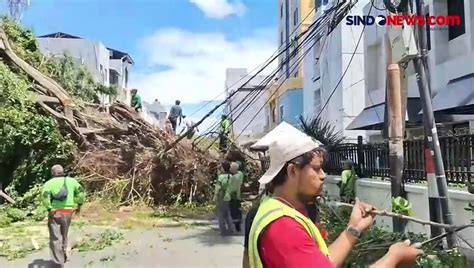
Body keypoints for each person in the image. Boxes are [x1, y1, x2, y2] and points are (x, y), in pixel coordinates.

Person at [247, 136, 424, 268]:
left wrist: (353, 229)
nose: (323, 175)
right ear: (293, 171)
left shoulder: (276, 208)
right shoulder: (283, 226)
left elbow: (321, 263)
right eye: (316, 169)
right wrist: (393, 258)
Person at [42, 165, 85, 268]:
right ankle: (64, 256)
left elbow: (45, 196)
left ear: (53, 173)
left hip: (55, 212)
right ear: (62, 172)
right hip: (68, 212)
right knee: (64, 234)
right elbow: (81, 192)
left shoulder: (49, 183)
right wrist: (79, 204)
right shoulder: (72, 181)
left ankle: (58, 263)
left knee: (55, 237)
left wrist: (49, 208)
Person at [213, 160, 235, 236]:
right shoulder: (231, 176)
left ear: (223, 168)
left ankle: (223, 230)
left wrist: (215, 197)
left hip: (222, 197)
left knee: (221, 214)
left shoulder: (221, 177)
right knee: (227, 213)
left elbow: (218, 188)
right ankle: (231, 228)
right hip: (228, 197)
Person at [229, 162, 244, 232]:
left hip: (233, 196)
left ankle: (235, 226)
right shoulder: (240, 174)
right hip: (238, 195)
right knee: (238, 210)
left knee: (233, 211)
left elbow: (232, 188)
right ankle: (238, 225)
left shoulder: (233, 178)